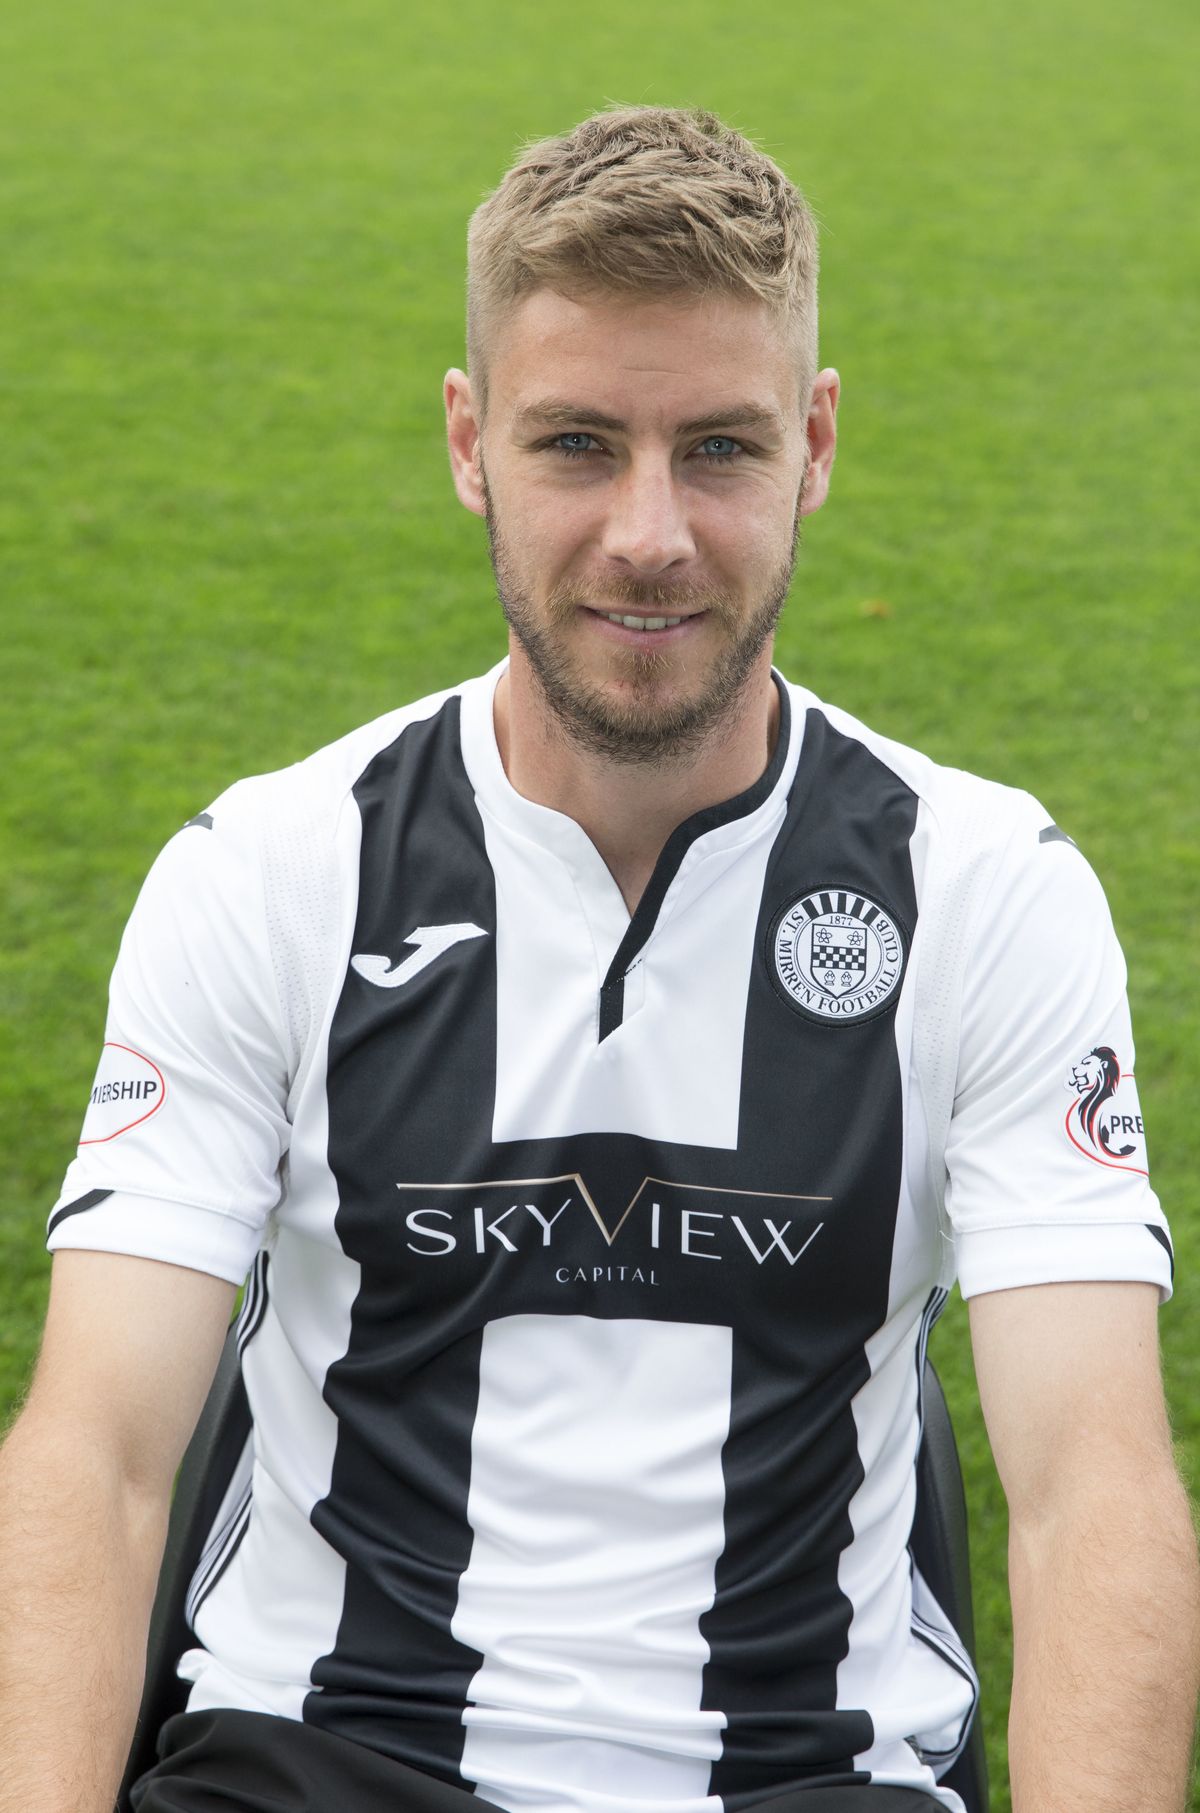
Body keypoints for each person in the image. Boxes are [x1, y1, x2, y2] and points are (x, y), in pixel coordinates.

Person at [0, 105, 1196, 1813]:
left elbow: (1094, 1490)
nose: (649, 534)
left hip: (802, 1777)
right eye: (578, 445)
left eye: (718, 447)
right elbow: (100, 1457)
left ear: (818, 443)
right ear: (471, 442)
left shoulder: (988, 889)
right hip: (320, 1759)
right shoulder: (272, 869)